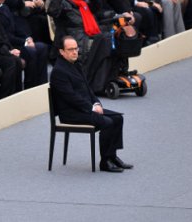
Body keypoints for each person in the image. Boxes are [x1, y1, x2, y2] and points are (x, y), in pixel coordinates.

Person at [49, 36, 132, 173]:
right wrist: (92, 108)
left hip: (84, 108)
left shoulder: (76, 65)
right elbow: (71, 97)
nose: (75, 52)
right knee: (107, 122)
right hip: (71, 113)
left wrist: (96, 102)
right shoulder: (59, 72)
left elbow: (88, 89)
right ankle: (105, 162)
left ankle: (112, 156)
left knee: (118, 118)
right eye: (70, 49)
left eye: (76, 48)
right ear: (62, 52)